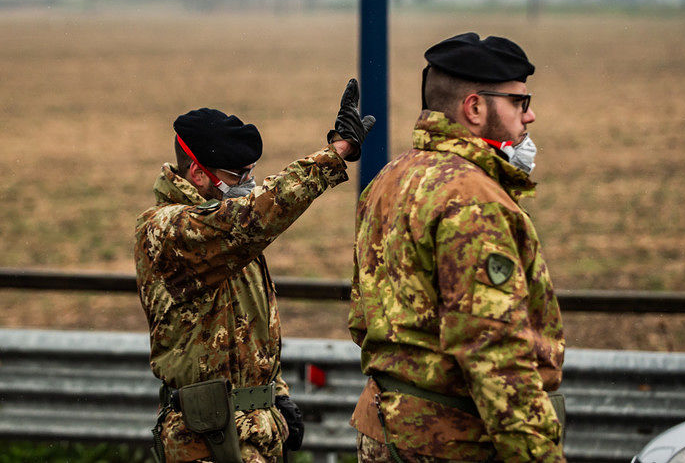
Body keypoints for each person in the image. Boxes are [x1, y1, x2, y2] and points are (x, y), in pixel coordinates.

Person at [348, 33, 566, 462]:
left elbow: (363, 319)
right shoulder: (472, 199)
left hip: (385, 429)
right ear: (475, 108)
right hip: (451, 444)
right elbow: (494, 351)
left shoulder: (392, 177)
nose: (531, 115)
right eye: (520, 102)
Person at [135, 79, 374, 463]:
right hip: (206, 439)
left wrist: (275, 394)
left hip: (255, 434)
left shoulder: (229, 243)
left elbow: (243, 329)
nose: (248, 184)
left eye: (251, 173)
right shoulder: (169, 231)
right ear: (198, 173)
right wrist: (334, 155)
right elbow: (250, 218)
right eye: (236, 176)